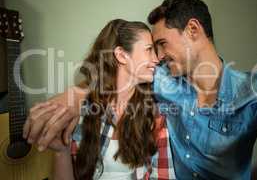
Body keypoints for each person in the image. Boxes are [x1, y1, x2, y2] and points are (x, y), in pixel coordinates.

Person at [24, 0, 257, 179]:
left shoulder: (255, 92)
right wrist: (76, 94)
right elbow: (118, 80)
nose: (158, 56)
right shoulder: (163, 80)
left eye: (162, 44)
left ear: (193, 30)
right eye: (153, 48)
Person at [24, 19, 176, 179]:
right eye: (149, 49)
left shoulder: (154, 112)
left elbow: (164, 174)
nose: (157, 59)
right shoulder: (80, 112)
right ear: (122, 55)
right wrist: (62, 151)